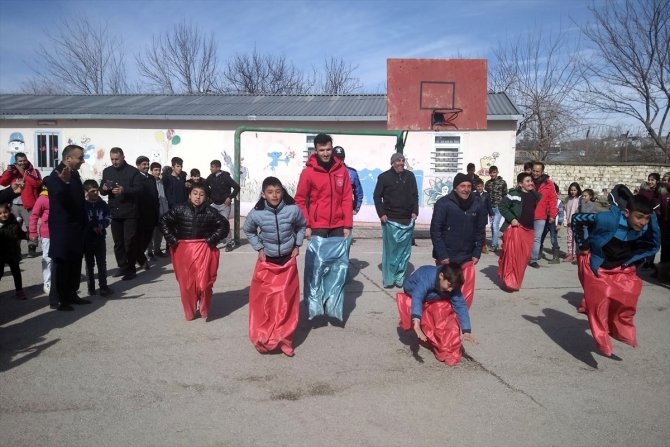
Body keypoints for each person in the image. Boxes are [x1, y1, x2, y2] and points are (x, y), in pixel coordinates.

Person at [572, 190, 660, 359]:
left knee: (631, 292)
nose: (643, 222)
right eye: (639, 217)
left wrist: (635, 260)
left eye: (647, 218)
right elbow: (577, 219)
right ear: (626, 213)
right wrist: (582, 245)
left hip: (620, 266)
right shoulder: (607, 219)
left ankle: (621, 331)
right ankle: (602, 340)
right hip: (598, 266)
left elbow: (651, 244)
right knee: (600, 301)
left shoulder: (647, 226)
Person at [243, 176, 307, 357]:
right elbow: (248, 230)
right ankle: (265, 334)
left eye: (278, 191)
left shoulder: (293, 210)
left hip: (287, 261)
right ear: (263, 194)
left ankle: (285, 340)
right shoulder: (256, 213)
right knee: (267, 303)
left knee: (286, 304)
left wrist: (297, 245)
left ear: (283, 192)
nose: (275, 195)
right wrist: (259, 248)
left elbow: (302, 226)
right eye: (270, 192)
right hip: (268, 262)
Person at [295, 133, 353, 324]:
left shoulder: (341, 170)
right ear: (316, 151)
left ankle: (333, 307)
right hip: (317, 226)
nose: (326, 153)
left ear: (332, 147)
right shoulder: (308, 173)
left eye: (328, 149)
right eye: (322, 150)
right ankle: (314, 307)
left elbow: (346, 198)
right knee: (316, 268)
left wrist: (347, 224)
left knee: (337, 268)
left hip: (337, 226)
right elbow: (300, 201)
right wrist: (307, 225)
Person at [160, 183, 229, 321]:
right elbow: (164, 221)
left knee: (204, 284)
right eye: (195, 193)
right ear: (189, 195)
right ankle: (190, 311)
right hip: (184, 252)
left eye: (202, 194)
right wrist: (172, 239)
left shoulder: (210, 212)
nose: (198, 197)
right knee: (187, 285)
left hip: (204, 250)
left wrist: (211, 239)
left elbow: (224, 226)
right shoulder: (180, 209)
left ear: (206, 197)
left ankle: (204, 308)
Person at [396, 263, 478, 366]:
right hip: (413, 290)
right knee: (432, 313)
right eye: (449, 285)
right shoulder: (427, 277)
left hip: (436, 293)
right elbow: (417, 296)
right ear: (441, 276)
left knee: (445, 312)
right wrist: (416, 324)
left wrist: (466, 331)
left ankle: (442, 344)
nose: (451, 289)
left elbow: (461, 306)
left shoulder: (451, 284)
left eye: (453, 287)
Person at [430, 173, 487, 308]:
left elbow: (480, 230)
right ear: (455, 187)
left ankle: (460, 319)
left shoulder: (477, 204)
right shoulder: (443, 204)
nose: (466, 189)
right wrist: (442, 255)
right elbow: (435, 231)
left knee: (465, 294)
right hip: (447, 257)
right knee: (444, 292)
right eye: (462, 186)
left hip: (467, 256)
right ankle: (443, 322)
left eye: (469, 186)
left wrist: (476, 252)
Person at [46, 144, 90, 311]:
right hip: (63, 228)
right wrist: (64, 183)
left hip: (76, 227)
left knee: (74, 261)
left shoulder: (74, 173)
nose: (82, 161)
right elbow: (58, 197)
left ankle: (71, 294)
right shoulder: (57, 175)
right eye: (80, 158)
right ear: (67, 158)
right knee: (62, 262)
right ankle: (57, 299)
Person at [373, 152, 418, 288]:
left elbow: (415, 195)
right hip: (390, 220)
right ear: (392, 162)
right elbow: (376, 197)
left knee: (404, 252)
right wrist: (381, 214)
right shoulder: (384, 177)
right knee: (391, 251)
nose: (400, 163)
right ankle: (389, 278)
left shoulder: (410, 176)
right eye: (398, 161)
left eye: (402, 160)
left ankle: (399, 277)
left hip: (407, 219)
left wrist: (415, 211)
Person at [101, 147, 143, 281]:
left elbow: (139, 190)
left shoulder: (133, 172)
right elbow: (102, 190)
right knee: (118, 242)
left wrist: (124, 190)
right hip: (114, 212)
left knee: (129, 242)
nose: (114, 162)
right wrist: (104, 188)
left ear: (123, 157)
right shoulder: (107, 171)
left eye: (116, 159)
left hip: (130, 212)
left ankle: (131, 269)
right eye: (112, 159)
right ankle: (122, 266)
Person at [497, 172, 541, 291]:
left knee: (524, 258)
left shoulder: (535, 195)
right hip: (516, 229)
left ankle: (516, 280)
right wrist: (512, 219)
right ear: (520, 184)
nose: (530, 183)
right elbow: (502, 207)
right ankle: (509, 281)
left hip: (529, 230)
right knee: (513, 257)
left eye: (531, 181)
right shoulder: (513, 195)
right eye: (527, 181)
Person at [0, 152, 42, 257]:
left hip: (28, 205)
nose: (22, 162)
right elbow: (3, 182)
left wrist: (23, 172)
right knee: (14, 228)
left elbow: (36, 183)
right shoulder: (13, 171)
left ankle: (32, 248)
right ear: (16, 162)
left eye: (24, 160)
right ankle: (15, 250)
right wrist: (9, 172)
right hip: (14, 205)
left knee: (30, 227)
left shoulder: (33, 171)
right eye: (20, 161)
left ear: (27, 160)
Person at [82, 180, 113, 297]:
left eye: (97, 190)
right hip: (88, 238)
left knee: (102, 263)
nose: (95, 193)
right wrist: (92, 227)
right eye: (92, 191)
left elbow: (109, 216)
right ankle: (91, 287)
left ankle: (103, 286)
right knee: (89, 263)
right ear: (86, 192)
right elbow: (83, 220)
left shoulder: (103, 204)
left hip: (100, 238)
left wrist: (102, 224)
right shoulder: (83, 205)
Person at [205, 159, 240, 252]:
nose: (210, 169)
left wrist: (230, 197)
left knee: (224, 223)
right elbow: (204, 185)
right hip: (214, 204)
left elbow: (237, 187)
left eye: (212, 167)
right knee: (212, 223)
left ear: (218, 168)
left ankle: (229, 242)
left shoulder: (226, 177)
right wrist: (209, 198)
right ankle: (214, 240)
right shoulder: (211, 177)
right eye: (210, 166)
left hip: (224, 205)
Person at [529, 162, 558, 268]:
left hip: (540, 215)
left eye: (538, 171)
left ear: (542, 172)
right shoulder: (527, 180)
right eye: (534, 170)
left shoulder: (549, 184)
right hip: (526, 214)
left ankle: (533, 260)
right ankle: (523, 256)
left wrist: (552, 215)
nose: (535, 173)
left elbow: (552, 200)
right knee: (526, 237)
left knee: (537, 238)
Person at [135, 155, 159, 270]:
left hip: (151, 213)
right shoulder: (135, 177)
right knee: (140, 239)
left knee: (148, 238)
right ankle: (141, 259)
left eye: (147, 164)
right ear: (138, 165)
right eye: (144, 164)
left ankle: (138, 257)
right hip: (140, 214)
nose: (146, 166)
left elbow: (155, 195)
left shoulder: (151, 178)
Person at [28, 181, 51, 295]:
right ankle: (47, 282)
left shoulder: (59, 196)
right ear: (45, 186)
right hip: (47, 234)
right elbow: (34, 216)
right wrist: (33, 233)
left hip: (60, 233)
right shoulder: (42, 199)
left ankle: (58, 280)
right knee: (47, 258)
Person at [0, 202, 27, 299]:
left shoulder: (14, 222)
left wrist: (29, 236)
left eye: (5, 212)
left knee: (16, 272)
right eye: (1, 213)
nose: (3, 215)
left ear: (9, 212)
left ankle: (19, 291)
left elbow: (20, 234)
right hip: (1, 253)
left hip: (12, 251)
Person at [333, 146, 363, 215]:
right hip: (330, 211)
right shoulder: (327, 173)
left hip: (346, 211)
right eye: (336, 158)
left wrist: (356, 208)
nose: (339, 160)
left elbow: (359, 192)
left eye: (341, 158)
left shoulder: (352, 173)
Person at [147, 162, 169, 258]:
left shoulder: (162, 182)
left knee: (159, 233)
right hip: (152, 212)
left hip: (163, 211)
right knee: (150, 233)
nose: (158, 172)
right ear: (151, 171)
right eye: (155, 170)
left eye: (159, 170)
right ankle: (149, 251)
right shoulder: (148, 182)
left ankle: (157, 249)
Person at [484, 165, 508, 253]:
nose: (492, 174)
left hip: (499, 207)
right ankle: (495, 243)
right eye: (491, 173)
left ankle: (494, 245)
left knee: (495, 225)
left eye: (494, 172)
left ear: (497, 172)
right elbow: (486, 195)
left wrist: (504, 205)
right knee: (492, 226)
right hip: (490, 208)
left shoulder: (502, 182)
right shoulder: (487, 183)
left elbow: (505, 194)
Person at [539, 183, 564, 264]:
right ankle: (538, 253)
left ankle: (556, 257)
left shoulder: (559, 202)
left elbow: (561, 214)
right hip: (545, 221)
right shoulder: (545, 200)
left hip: (554, 223)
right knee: (541, 237)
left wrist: (559, 223)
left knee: (553, 239)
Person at [564, 182, 583, 263]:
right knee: (569, 239)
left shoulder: (580, 199)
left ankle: (576, 255)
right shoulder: (567, 199)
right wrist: (565, 221)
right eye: (571, 190)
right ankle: (570, 254)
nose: (573, 192)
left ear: (578, 190)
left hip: (577, 223)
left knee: (576, 240)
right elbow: (565, 210)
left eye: (574, 190)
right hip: (569, 223)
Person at [474, 178, 494, 254]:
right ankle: (474, 247)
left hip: (483, 217)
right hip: (475, 217)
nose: (479, 188)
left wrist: (491, 214)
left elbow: (489, 206)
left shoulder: (486, 195)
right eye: (478, 186)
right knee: (474, 232)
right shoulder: (473, 195)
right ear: (476, 187)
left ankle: (483, 247)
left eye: (481, 186)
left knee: (482, 233)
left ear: (483, 186)